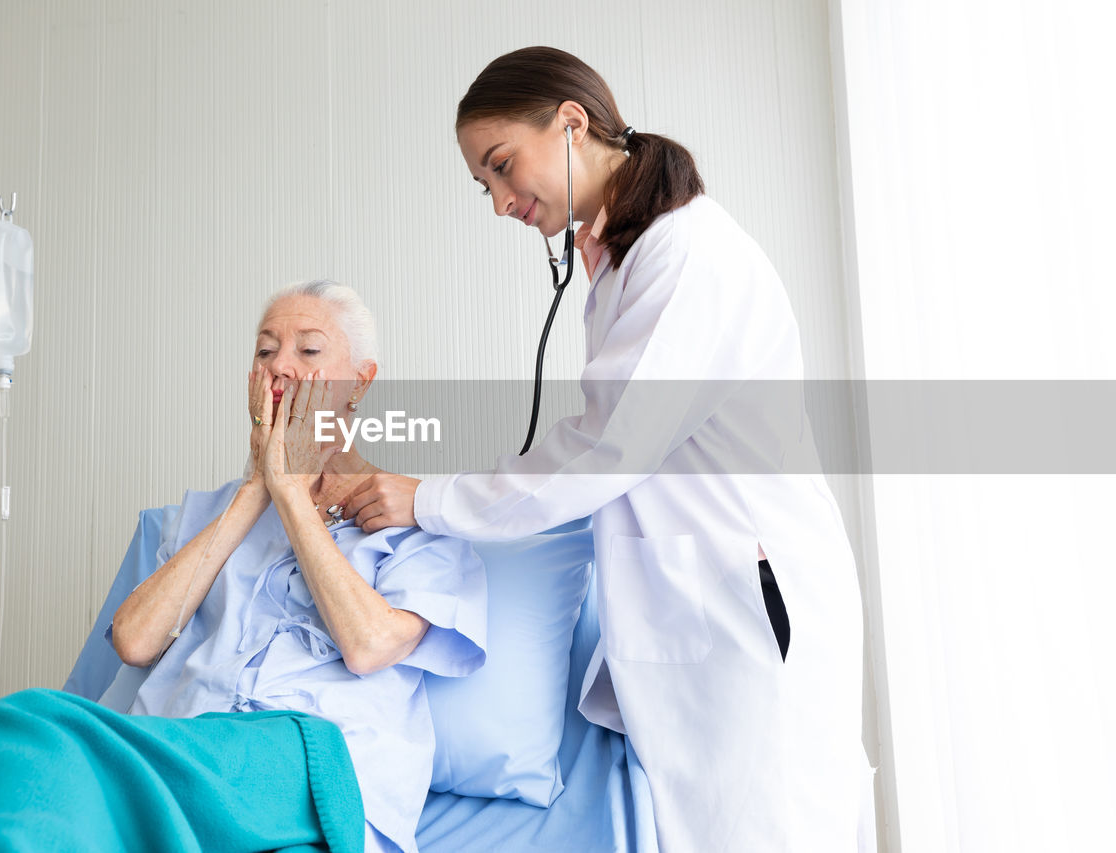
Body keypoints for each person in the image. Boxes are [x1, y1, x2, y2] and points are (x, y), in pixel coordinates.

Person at [345, 47, 873, 851]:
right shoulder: (624, 259)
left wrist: (426, 499)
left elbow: (603, 449)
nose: (498, 202)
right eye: (483, 184)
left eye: (501, 166)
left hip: (752, 610)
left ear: (571, 123)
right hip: (707, 613)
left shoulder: (685, 254)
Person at [0, 281, 486, 853]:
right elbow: (135, 640)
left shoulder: (421, 517)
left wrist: (292, 492)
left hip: (312, 765)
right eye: (266, 351)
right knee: (19, 791)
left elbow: (370, 645)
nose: (280, 367)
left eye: (309, 351)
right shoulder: (208, 515)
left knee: (30, 734)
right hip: (181, 753)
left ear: (363, 381)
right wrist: (255, 491)